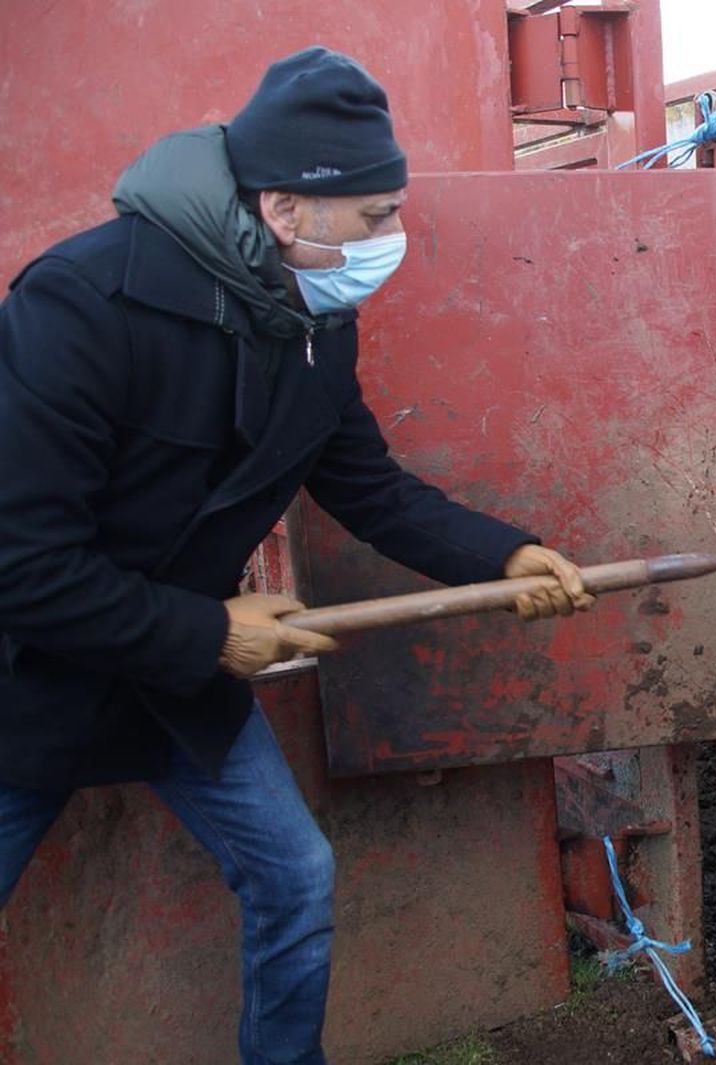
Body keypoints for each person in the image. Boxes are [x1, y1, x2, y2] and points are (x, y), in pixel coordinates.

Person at [0, 47, 594, 1064]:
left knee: (294, 876)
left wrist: (503, 558)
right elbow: (18, 560)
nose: (391, 240)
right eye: (373, 218)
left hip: (169, 679)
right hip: (28, 675)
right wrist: (202, 630)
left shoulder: (313, 322)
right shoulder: (81, 305)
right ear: (284, 208)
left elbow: (365, 486)